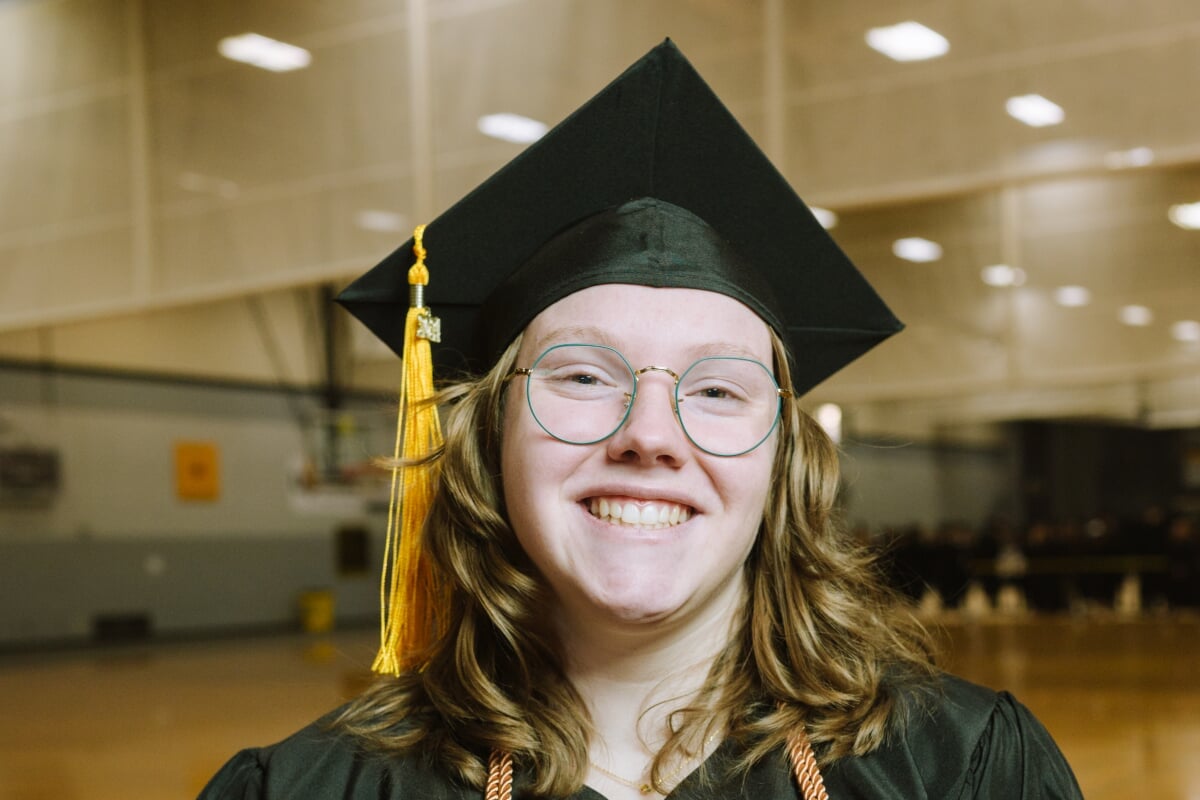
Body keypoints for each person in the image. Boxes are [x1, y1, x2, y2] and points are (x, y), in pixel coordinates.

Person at [199, 40, 1082, 799]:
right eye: (584, 375)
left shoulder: (959, 770)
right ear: (486, 438)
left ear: (784, 457)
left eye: (717, 390)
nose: (650, 435)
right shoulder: (321, 788)